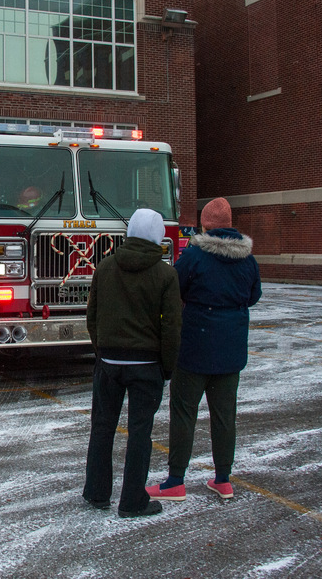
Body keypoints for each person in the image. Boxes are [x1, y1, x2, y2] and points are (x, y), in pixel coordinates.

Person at [146, 197, 261, 503]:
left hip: (194, 346)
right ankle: (223, 479)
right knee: (225, 416)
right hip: (231, 350)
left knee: (184, 413)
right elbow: (254, 296)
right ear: (231, 224)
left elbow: (175, 288)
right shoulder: (247, 259)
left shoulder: (195, 256)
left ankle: (175, 480)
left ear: (205, 224)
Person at [82, 208, 181, 518]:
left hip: (109, 362)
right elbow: (171, 328)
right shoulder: (166, 275)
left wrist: (101, 352)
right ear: (158, 237)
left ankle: (97, 493)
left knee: (102, 428)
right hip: (146, 365)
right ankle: (132, 500)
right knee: (140, 432)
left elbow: (92, 317)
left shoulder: (105, 267)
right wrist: (166, 367)